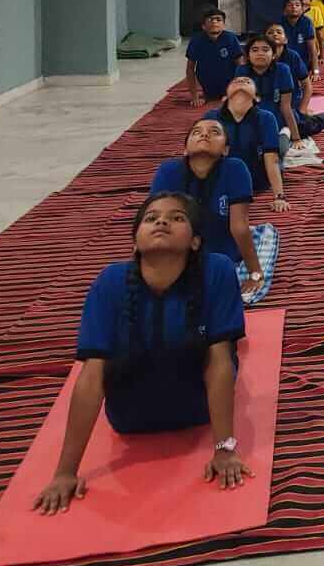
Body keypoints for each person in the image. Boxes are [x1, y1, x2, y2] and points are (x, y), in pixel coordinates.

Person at [32, 192, 252, 515]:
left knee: (224, 349)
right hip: (130, 418)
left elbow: (219, 362)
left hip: (196, 410)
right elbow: (92, 376)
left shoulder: (216, 271)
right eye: (151, 218)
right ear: (135, 243)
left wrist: (224, 449)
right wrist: (65, 472)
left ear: (195, 242)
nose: (161, 221)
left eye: (177, 218)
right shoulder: (110, 283)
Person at [149, 119, 270, 302]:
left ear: (225, 150)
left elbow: (239, 226)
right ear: (185, 149)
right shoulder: (168, 171)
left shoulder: (235, 169)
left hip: (223, 253)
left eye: (214, 132)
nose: (204, 135)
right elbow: (154, 222)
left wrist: (255, 273)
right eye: (196, 132)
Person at [203, 78, 288, 214]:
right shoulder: (211, 117)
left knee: (281, 149)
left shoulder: (266, 118)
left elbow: (271, 159)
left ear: (256, 97)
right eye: (235, 81)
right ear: (225, 97)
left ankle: (285, 134)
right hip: (227, 179)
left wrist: (279, 196)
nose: (241, 81)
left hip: (259, 180)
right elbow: (204, 155)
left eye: (247, 82)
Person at [262, 23, 324, 138]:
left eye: (279, 32)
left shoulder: (292, 57)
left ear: (286, 40)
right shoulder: (260, 59)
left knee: (302, 128)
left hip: (291, 104)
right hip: (269, 105)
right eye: (270, 33)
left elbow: (307, 85)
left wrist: (302, 109)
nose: (274, 34)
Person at [240, 34, 300, 145]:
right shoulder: (241, 71)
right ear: (248, 56)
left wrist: (296, 138)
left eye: (265, 49)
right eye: (255, 50)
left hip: (280, 119)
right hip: (253, 120)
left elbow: (286, 106)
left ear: (273, 55)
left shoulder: (282, 70)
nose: (260, 53)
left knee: (309, 125)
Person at [184, 9, 242, 105]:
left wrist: (237, 91)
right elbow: (190, 69)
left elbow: (240, 66)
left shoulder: (231, 38)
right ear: (203, 26)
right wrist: (195, 96)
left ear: (224, 25)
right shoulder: (196, 40)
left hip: (230, 85)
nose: (215, 22)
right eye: (211, 19)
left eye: (218, 19)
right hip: (208, 87)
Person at [280, 0, 319, 82]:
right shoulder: (279, 23)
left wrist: (316, 72)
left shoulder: (306, 22)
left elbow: (312, 49)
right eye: (290, 5)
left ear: (302, 10)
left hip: (303, 64)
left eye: (297, 5)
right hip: (284, 64)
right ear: (284, 11)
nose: (294, 7)